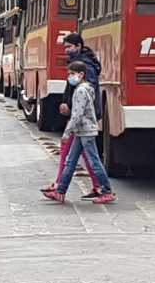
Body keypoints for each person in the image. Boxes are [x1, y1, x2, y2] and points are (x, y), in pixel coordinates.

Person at [40, 33, 103, 200]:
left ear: (79, 46)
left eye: (70, 47)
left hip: (81, 117)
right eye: (66, 47)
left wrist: (71, 109)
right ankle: (100, 187)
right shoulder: (82, 64)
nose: (67, 50)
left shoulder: (85, 67)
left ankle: (59, 188)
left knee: (68, 152)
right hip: (80, 116)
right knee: (85, 155)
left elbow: (84, 93)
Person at [43, 61, 116, 205]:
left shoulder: (81, 90)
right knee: (70, 161)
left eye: (72, 74)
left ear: (81, 74)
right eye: (69, 74)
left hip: (86, 131)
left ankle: (106, 191)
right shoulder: (85, 89)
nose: (69, 77)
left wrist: (67, 132)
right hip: (81, 131)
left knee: (94, 162)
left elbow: (77, 114)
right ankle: (60, 191)